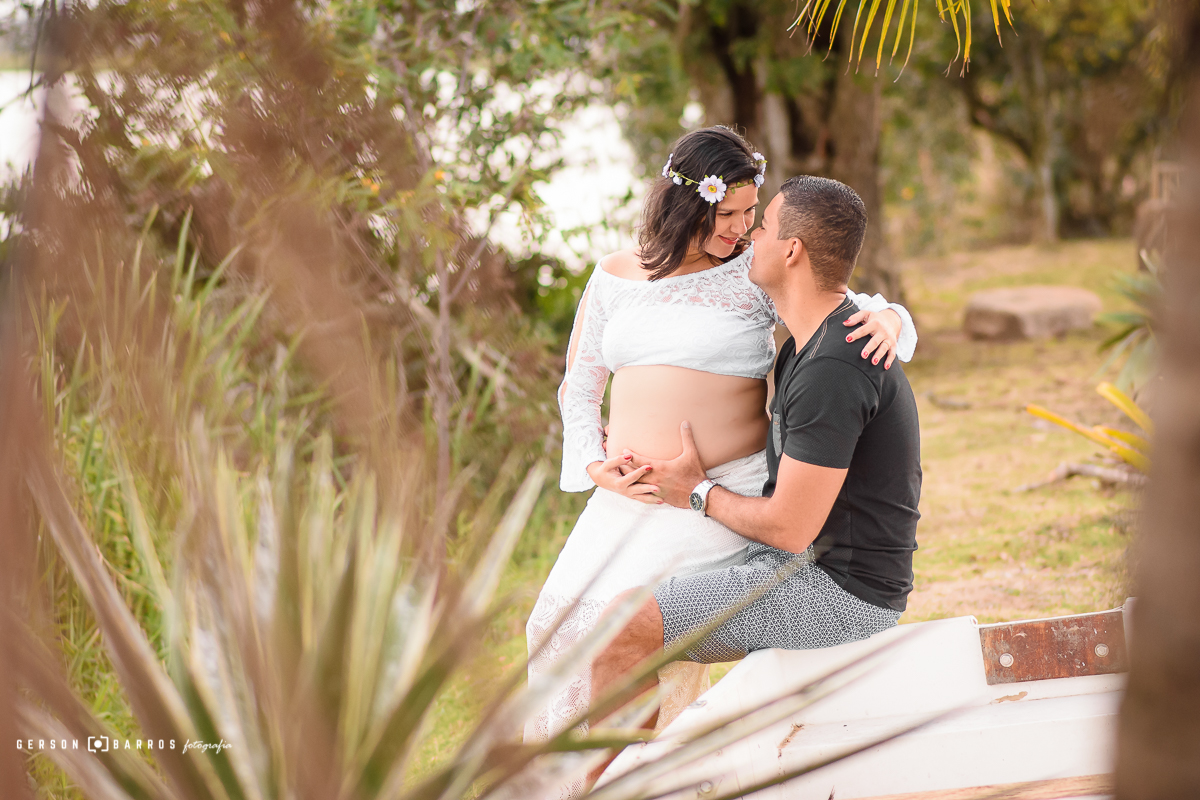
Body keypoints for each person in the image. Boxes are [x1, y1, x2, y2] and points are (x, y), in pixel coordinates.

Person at [525, 128, 918, 754]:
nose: (741, 228)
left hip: (718, 490)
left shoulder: (752, 274)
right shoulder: (614, 277)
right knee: (549, 625)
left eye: (751, 216)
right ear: (687, 207)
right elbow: (578, 387)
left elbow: (843, 306)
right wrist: (596, 467)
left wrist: (896, 319)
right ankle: (562, 777)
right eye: (729, 215)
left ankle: (632, 771)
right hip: (628, 494)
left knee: (622, 625)